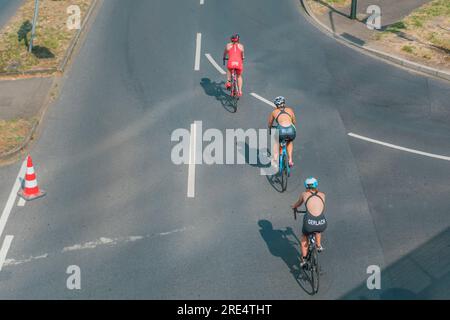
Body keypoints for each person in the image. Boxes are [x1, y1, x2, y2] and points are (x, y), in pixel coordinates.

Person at [291, 177, 327, 267]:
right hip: (322, 223)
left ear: (306, 186)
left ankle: (303, 260)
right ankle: (319, 245)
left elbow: (298, 204)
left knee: (304, 237)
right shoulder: (323, 194)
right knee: (318, 230)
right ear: (316, 185)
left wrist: (294, 207)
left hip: (309, 223)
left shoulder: (304, 194)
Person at [267, 96, 296, 167]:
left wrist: (270, 129)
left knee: (276, 142)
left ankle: (275, 160)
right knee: (289, 142)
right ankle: (290, 160)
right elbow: (294, 121)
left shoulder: (274, 112)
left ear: (276, 105)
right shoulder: (290, 110)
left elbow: (270, 124)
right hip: (291, 130)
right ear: (284, 103)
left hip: (281, 130)